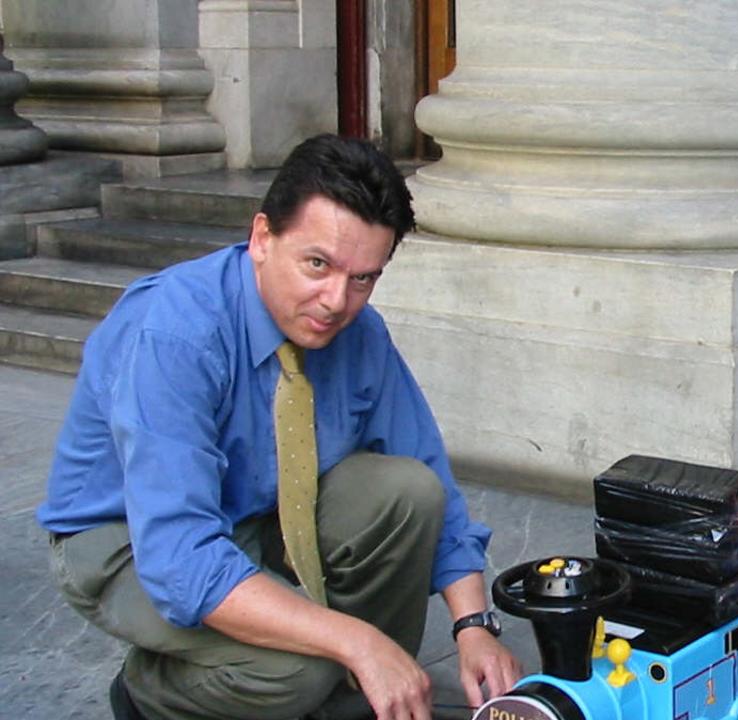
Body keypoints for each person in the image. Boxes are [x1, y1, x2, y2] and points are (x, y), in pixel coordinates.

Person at [37, 134, 522, 720]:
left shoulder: (358, 332)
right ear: (262, 237)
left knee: (407, 491)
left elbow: (431, 477)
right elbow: (180, 556)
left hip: (257, 509)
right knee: (298, 668)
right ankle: (152, 692)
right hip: (129, 539)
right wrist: (354, 639)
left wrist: (473, 626)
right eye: (317, 264)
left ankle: (357, 702)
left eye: (363, 278)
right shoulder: (176, 334)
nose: (335, 301)